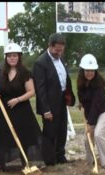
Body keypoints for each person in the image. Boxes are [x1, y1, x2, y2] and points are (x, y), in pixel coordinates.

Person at [0, 43, 43, 171]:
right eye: (9, 56)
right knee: (4, 136)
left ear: (19, 57)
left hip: (21, 110)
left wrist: (17, 100)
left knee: (23, 135)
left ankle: (26, 162)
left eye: (14, 56)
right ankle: (4, 164)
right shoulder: (1, 72)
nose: (12, 58)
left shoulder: (25, 73)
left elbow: (31, 91)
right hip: (4, 111)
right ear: (6, 58)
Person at [32, 33, 75, 166]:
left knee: (62, 130)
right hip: (49, 103)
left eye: (61, 50)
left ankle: (60, 156)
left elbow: (64, 79)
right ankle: (49, 160)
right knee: (50, 132)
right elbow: (40, 89)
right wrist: (46, 110)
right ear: (49, 46)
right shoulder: (40, 63)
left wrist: (68, 95)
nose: (59, 53)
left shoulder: (61, 59)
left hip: (61, 100)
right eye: (56, 50)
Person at [77, 54, 105, 170]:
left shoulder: (99, 85)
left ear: (95, 71)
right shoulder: (81, 83)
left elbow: (95, 105)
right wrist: (81, 103)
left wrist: (90, 124)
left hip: (104, 111)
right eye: (87, 70)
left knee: (97, 134)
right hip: (92, 112)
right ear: (83, 70)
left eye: (92, 70)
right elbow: (83, 97)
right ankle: (91, 162)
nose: (90, 73)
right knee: (87, 138)